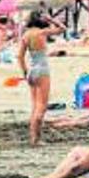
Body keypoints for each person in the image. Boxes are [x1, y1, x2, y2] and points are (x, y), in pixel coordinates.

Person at [18, 10, 66, 145]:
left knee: (34, 106)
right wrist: (51, 19)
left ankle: (33, 137)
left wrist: (25, 72)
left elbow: (19, 56)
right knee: (42, 107)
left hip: (31, 70)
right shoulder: (42, 33)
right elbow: (62, 29)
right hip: (42, 70)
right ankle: (37, 139)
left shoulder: (26, 35)